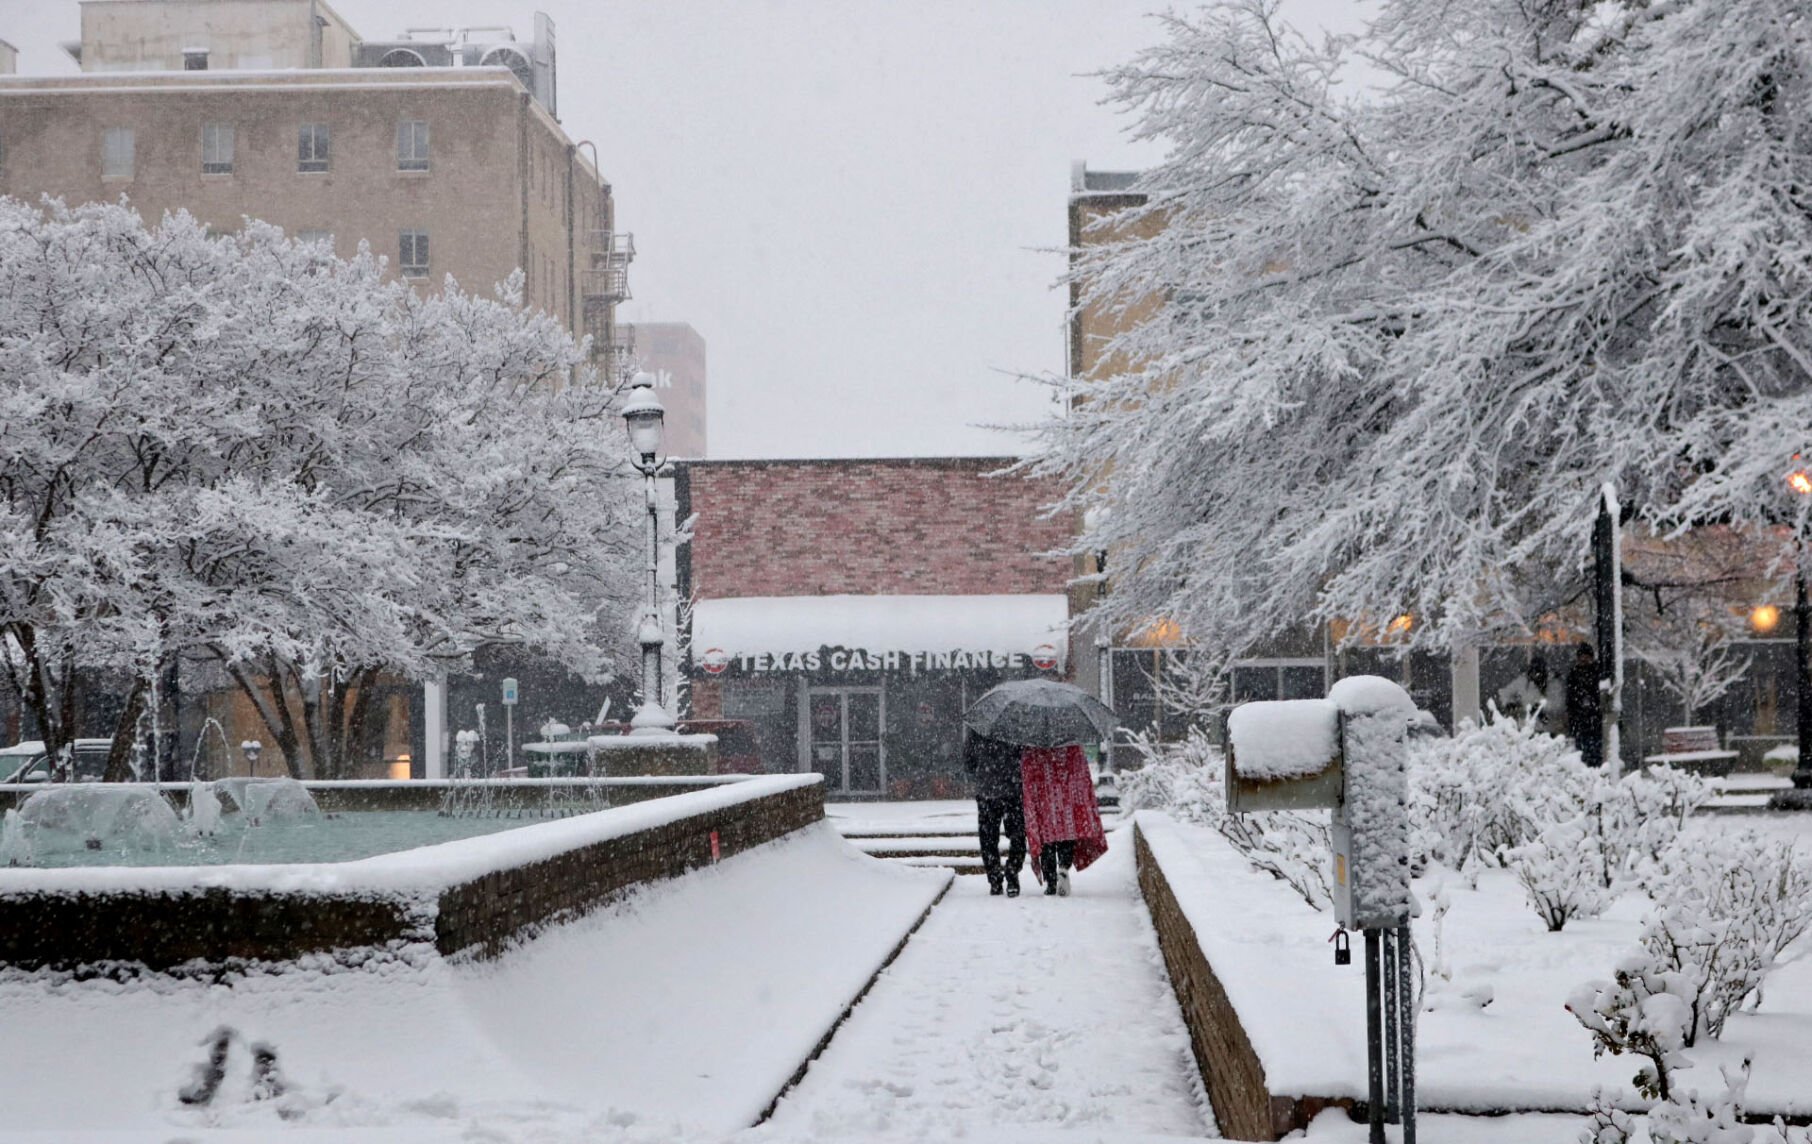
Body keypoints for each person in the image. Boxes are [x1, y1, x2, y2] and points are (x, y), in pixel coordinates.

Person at [1019, 742, 1109, 896]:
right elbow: (1080, 773)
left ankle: (1051, 881)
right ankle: (1064, 866)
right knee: (1066, 837)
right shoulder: (1071, 744)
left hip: (1043, 801)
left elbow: (1027, 773)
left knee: (1047, 842)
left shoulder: (1033, 745)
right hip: (1067, 800)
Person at [963, 730, 1026, 897]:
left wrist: (982, 771)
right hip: (1012, 789)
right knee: (1017, 835)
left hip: (988, 791)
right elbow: (1025, 756)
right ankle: (1012, 872)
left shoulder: (978, 728)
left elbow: (968, 761)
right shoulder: (1016, 728)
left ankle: (995, 878)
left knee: (989, 838)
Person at [1565, 643, 1603, 767]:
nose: (1584, 660)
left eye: (1586, 657)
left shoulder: (1597, 673)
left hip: (1595, 721)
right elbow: (1570, 701)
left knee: (1594, 752)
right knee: (1583, 754)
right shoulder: (1574, 675)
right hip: (1582, 722)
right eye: (1582, 658)